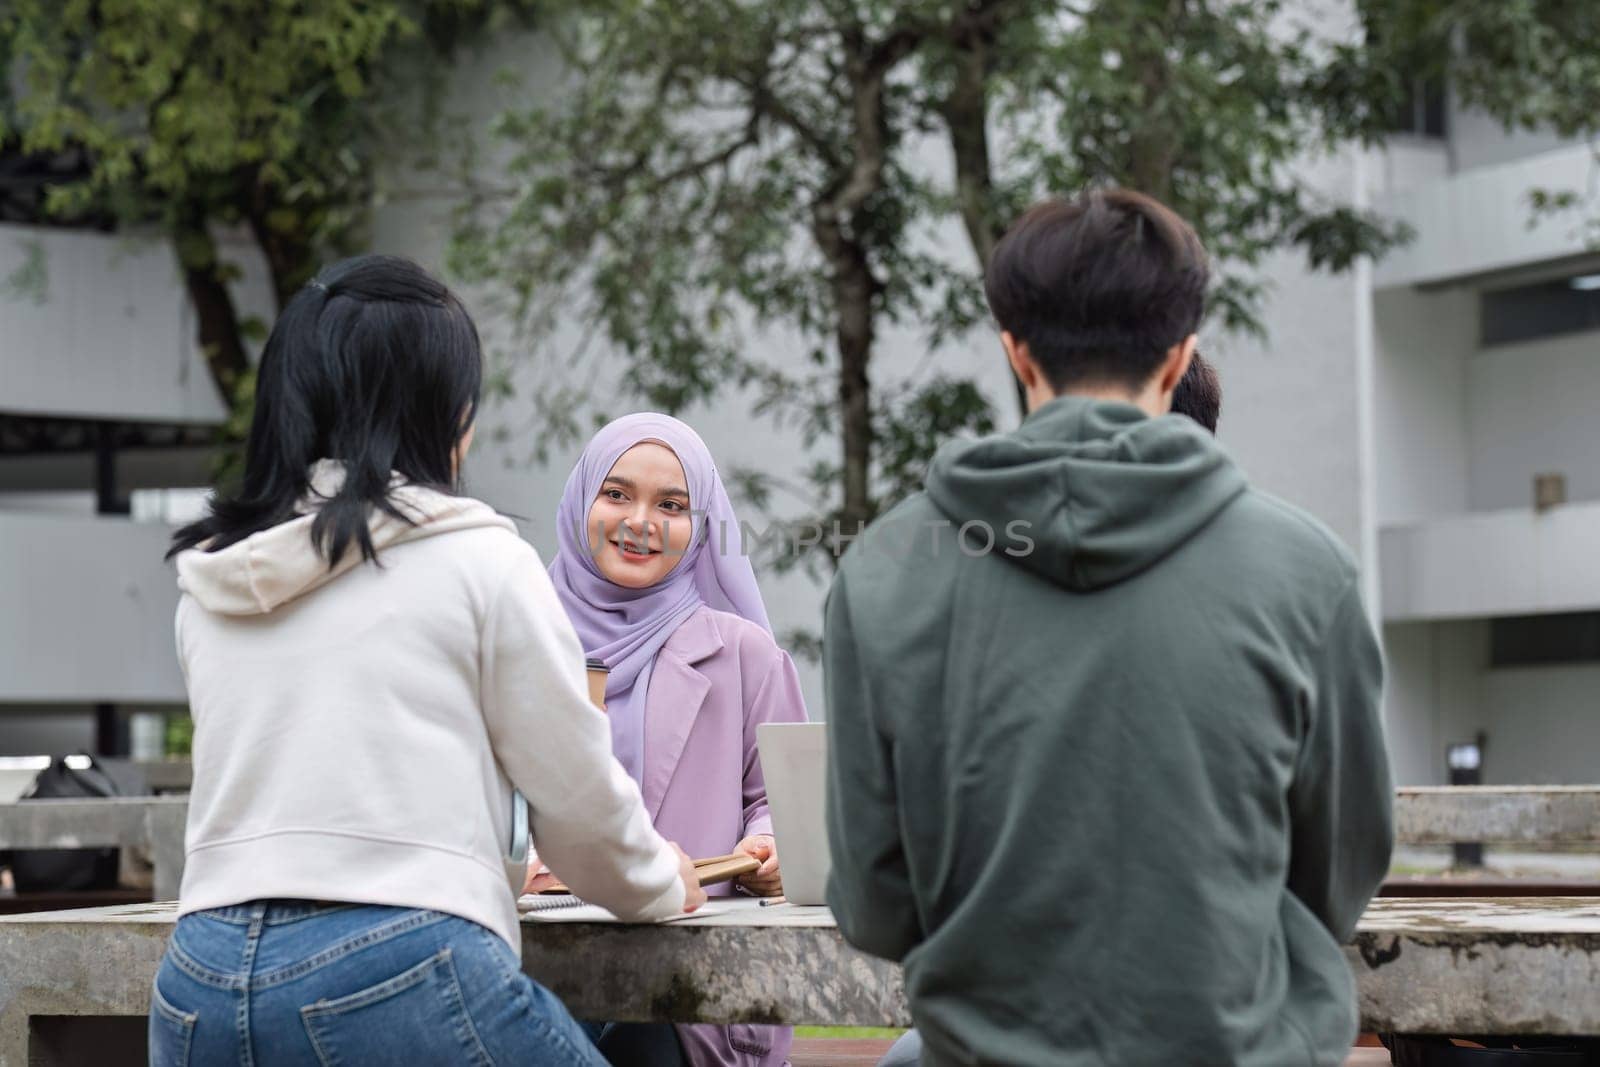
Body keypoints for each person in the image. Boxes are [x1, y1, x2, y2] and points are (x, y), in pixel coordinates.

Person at [824, 190, 1394, 1066]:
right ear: (1180, 357)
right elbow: (1337, 877)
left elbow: (873, 906)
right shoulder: (1307, 572)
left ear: (1016, 352)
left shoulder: (884, 569)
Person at [153, 255, 703, 1067]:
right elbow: (581, 813)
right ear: (445, 413)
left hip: (198, 977)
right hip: (400, 970)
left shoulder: (214, 583)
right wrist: (664, 880)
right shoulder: (480, 561)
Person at [546, 412, 808, 1067]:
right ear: (582, 501)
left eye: (672, 504)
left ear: (701, 527)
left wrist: (772, 843)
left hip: (691, 993)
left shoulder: (746, 654)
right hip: (538, 965)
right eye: (617, 494)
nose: (641, 520)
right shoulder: (523, 638)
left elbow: (789, 802)